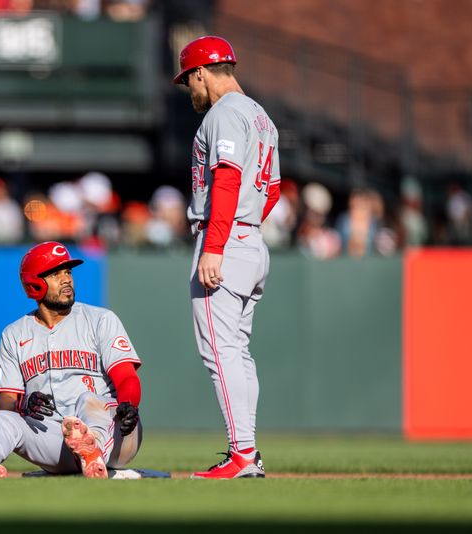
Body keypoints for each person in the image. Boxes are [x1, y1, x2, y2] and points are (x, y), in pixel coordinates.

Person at [0, 241, 143, 478]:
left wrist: (129, 404)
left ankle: (91, 450)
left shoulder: (100, 319)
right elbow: (7, 401)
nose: (66, 279)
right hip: (56, 441)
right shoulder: (14, 334)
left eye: (68, 272)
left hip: (115, 432)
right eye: (56, 274)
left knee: (88, 400)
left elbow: (126, 375)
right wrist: (24, 406)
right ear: (34, 285)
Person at [174, 36, 281, 479]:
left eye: (188, 81)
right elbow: (271, 190)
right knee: (236, 352)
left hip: (225, 239)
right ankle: (247, 453)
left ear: (201, 72)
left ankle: (241, 455)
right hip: (251, 240)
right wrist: (246, 229)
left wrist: (217, 245)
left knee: (219, 353)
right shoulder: (262, 116)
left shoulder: (224, 113)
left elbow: (228, 179)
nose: (189, 91)